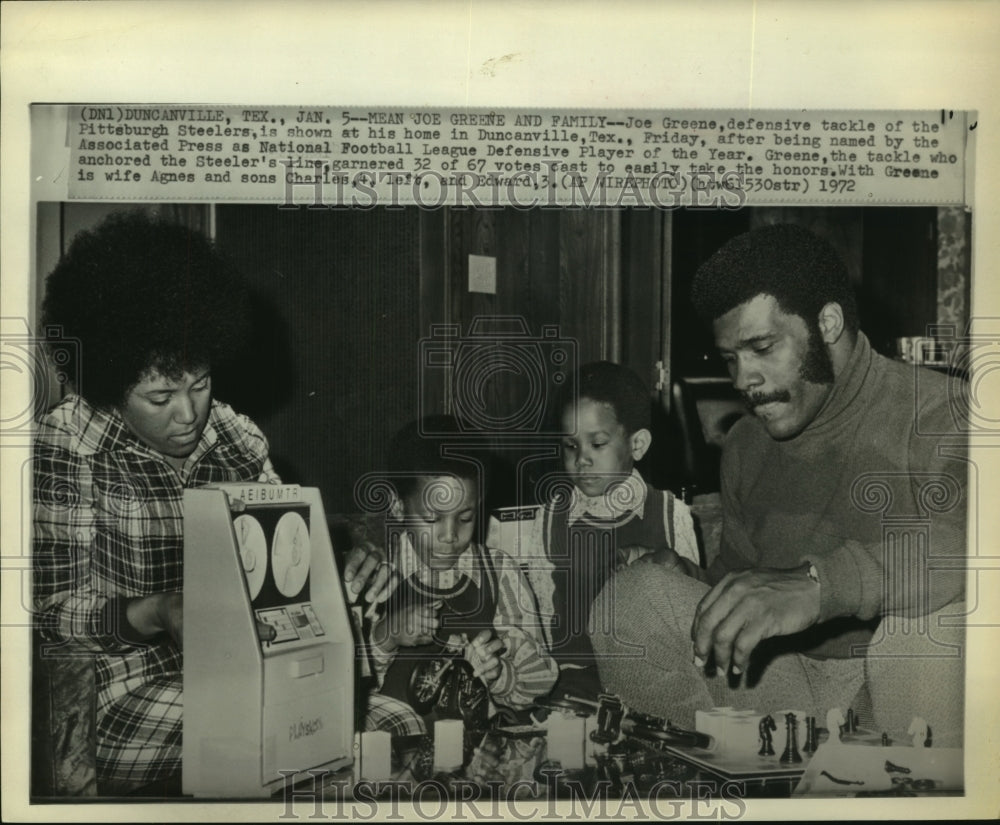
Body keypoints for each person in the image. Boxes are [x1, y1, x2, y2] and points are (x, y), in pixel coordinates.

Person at [32, 211, 399, 795]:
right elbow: (47, 615)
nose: (189, 414)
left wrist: (342, 567)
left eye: (199, 383)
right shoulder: (68, 445)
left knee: (394, 728)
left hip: (246, 677)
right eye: (159, 395)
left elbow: (286, 575)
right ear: (106, 379)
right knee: (311, 756)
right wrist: (154, 612)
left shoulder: (236, 437)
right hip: (123, 694)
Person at [589, 224, 967, 746]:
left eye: (762, 347)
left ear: (828, 323)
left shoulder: (944, 413)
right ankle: (706, 784)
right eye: (730, 358)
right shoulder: (747, 444)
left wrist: (818, 585)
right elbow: (746, 579)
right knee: (631, 598)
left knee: (923, 634)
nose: (743, 380)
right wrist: (698, 579)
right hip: (782, 688)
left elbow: (977, 545)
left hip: (894, 696)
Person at [488, 361, 700, 704]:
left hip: (657, 687)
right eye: (571, 446)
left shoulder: (671, 515)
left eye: (597, 444)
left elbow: (694, 619)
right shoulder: (548, 520)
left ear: (638, 445)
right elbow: (536, 629)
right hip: (574, 690)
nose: (581, 459)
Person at [367, 417, 558, 728]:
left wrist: (500, 675)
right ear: (398, 506)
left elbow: (541, 682)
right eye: (432, 518)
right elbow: (340, 686)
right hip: (390, 750)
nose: (450, 535)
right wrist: (386, 636)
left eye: (465, 517)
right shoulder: (376, 576)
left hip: (477, 752)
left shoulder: (500, 574)